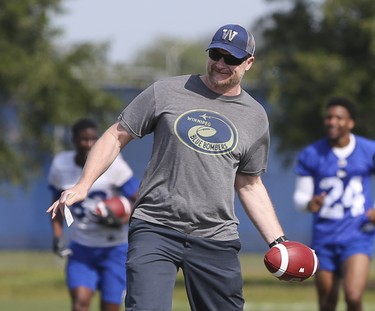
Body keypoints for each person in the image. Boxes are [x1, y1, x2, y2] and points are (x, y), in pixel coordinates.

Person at [48, 24, 286, 311]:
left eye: (231, 59)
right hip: (155, 227)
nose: (221, 64)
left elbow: (249, 184)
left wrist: (279, 241)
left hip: (215, 236)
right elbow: (116, 135)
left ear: (248, 63)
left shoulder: (255, 117)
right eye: (216, 54)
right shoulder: (167, 91)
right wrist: (83, 185)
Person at [48, 118, 139, 311]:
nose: (89, 144)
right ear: (73, 140)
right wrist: (57, 236)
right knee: (80, 302)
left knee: (110, 306)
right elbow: (56, 205)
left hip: (114, 247)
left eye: (93, 139)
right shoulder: (61, 164)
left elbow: (137, 199)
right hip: (82, 246)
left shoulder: (114, 164)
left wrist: (121, 218)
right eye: (84, 139)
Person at [293, 97, 375, 311]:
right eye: (329, 117)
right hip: (324, 236)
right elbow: (300, 199)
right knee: (327, 302)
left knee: (353, 296)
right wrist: (310, 203)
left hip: (357, 234)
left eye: (339, 117)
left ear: (351, 123)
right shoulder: (312, 153)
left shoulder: (368, 150)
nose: (332, 122)